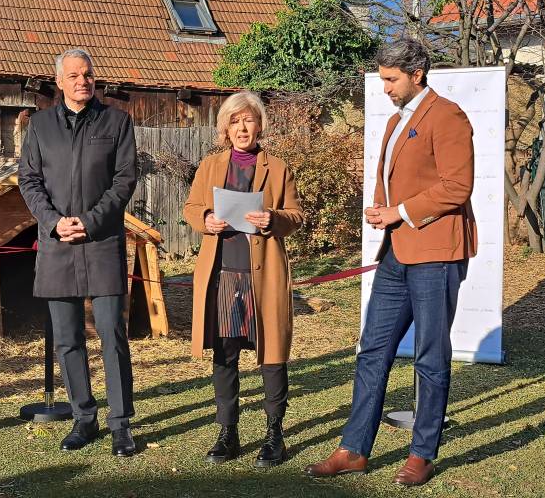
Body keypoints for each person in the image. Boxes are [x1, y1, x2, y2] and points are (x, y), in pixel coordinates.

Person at [306, 38, 477, 486]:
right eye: (383, 79)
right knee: (372, 351)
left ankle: (422, 454)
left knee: (430, 357)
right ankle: (353, 449)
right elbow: (393, 177)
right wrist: (383, 208)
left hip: (436, 255)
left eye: (391, 79)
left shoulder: (448, 116)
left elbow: (458, 186)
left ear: (416, 74)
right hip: (396, 254)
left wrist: (398, 211)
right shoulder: (396, 120)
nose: (384, 88)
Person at [18, 48, 138, 457]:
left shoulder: (117, 122)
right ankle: (83, 418)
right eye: (73, 76)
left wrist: (90, 220)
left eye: (87, 74)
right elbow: (29, 180)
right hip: (57, 245)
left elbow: (124, 180)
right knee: (68, 339)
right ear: (59, 82)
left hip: (102, 242)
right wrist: (53, 222)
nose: (82, 81)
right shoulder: (39, 126)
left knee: (112, 334)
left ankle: (121, 425)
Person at [183, 91, 304, 468]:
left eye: (248, 120)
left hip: (264, 275)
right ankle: (228, 433)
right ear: (225, 128)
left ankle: (274, 435)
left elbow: (296, 215)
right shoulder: (210, 166)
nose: (242, 128)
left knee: (272, 355)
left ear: (259, 125)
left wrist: (273, 219)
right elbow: (191, 207)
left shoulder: (278, 168)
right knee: (225, 354)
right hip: (223, 273)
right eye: (234, 121)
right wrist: (206, 219)